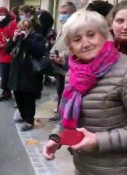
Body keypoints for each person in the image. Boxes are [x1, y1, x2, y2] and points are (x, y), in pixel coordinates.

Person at [42, 11, 127, 175]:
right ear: (70, 46)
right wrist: (56, 138)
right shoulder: (72, 74)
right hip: (83, 165)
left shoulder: (124, 71)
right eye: (77, 39)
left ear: (104, 35)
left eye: (91, 35)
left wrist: (97, 140)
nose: (85, 43)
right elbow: (68, 118)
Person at [6, 19, 46, 131]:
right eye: (20, 28)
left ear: (31, 28)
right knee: (18, 97)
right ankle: (23, 116)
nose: (22, 31)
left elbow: (39, 51)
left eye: (25, 29)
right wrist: (13, 39)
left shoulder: (37, 37)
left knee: (28, 99)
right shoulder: (18, 38)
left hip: (30, 74)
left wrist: (26, 39)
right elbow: (8, 50)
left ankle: (29, 121)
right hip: (17, 73)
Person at [49, 2, 76, 122]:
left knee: (68, 94)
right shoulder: (63, 27)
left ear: (72, 13)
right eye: (60, 13)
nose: (61, 16)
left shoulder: (75, 28)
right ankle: (60, 113)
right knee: (60, 92)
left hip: (69, 69)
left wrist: (64, 59)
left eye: (64, 13)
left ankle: (65, 116)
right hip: (59, 67)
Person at [0, 7, 17, 102]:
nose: (1, 16)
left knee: (10, 75)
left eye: (2, 14)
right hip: (2, 53)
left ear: (7, 14)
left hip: (10, 53)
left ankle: (12, 94)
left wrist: (4, 44)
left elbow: (14, 38)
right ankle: (5, 92)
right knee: (3, 74)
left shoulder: (12, 23)